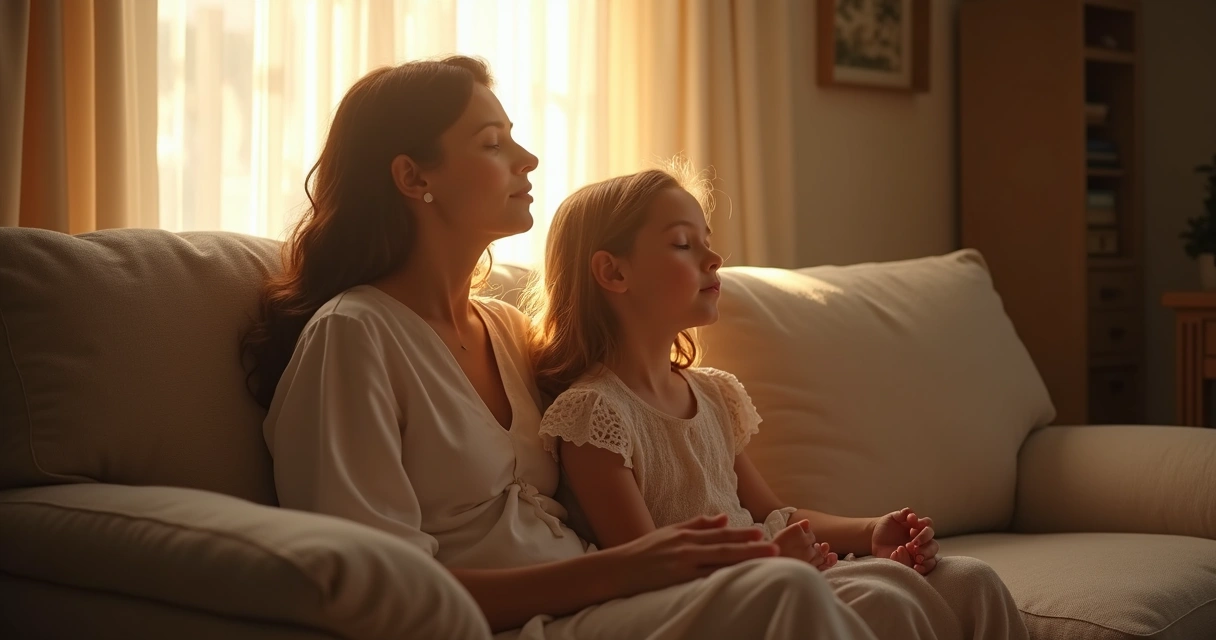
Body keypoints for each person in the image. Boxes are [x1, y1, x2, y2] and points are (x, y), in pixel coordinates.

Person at [241, 55, 1023, 639]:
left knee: (951, 585)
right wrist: (626, 568)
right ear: (415, 177)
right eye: (492, 142)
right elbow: (377, 591)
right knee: (785, 594)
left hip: (601, 598)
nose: (527, 160)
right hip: (526, 623)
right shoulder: (354, 337)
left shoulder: (508, 332)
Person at [523, 166, 1031, 640]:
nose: (713, 259)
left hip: (776, 572)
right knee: (883, 601)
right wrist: (768, 560)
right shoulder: (594, 413)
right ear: (613, 272)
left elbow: (772, 513)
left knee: (972, 580)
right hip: (721, 601)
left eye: (707, 241)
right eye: (682, 244)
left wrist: (871, 530)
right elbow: (644, 568)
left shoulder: (714, 394)